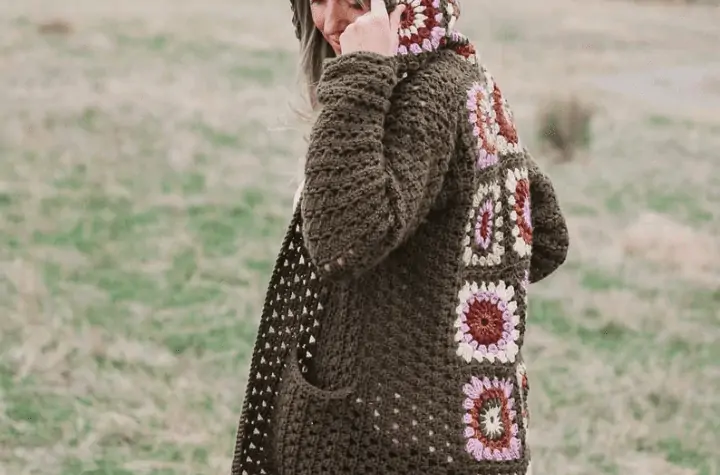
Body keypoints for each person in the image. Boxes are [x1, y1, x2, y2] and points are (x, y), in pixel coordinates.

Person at [230, 0, 569, 473]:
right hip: (424, 433)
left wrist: (361, 72)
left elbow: (340, 241)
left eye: (351, 1)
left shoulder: (426, 93)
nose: (328, 21)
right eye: (315, 1)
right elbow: (546, 235)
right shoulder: (466, 79)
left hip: (390, 448)